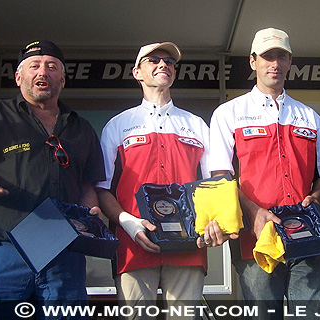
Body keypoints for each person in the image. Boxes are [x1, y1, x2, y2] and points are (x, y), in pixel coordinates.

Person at [0, 39, 105, 319]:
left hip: (63, 254)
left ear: (63, 80)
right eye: (34, 66)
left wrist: (89, 213)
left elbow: (87, 186)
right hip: (1, 249)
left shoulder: (81, 127)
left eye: (51, 67)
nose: (42, 72)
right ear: (19, 77)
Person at [209, 28, 320, 319]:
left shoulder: (310, 116)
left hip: (307, 237)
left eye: (281, 56)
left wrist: (316, 198)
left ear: (290, 62)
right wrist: (253, 213)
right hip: (255, 241)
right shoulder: (229, 113)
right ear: (253, 61)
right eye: (267, 57)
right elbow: (220, 178)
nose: (274, 63)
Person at [97, 42, 229, 319]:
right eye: (153, 60)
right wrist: (128, 223)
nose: (163, 65)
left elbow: (215, 186)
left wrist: (216, 222)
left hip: (188, 246)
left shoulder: (196, 125)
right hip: (134, 243)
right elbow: (102, 190)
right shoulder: (118, 125)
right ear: (137, 72)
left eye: (169, 62)